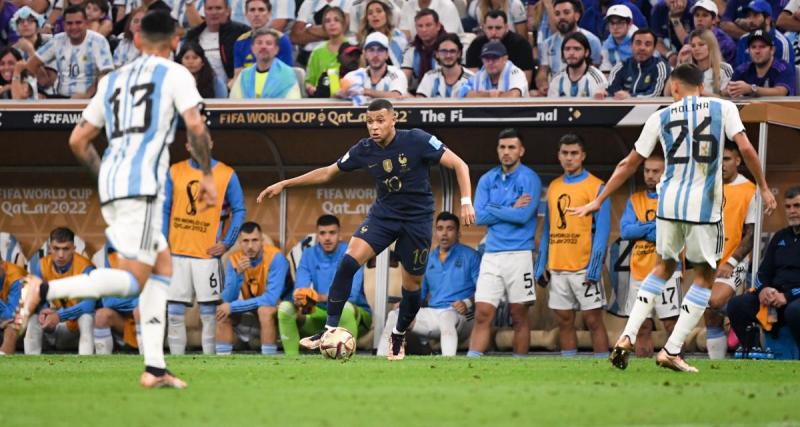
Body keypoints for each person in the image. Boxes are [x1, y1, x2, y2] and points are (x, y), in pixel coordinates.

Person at [16, 10, 218, 388]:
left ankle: (155, 368)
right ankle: (42, 289)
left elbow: (77, 140)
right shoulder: (175, 73)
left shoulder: (114, 79)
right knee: (132, 280)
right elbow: (195, 126)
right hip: (140, 186)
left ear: (137, 41)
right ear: (175, 40)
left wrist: (108, 178)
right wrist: (206, 175)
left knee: (161, 268)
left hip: (116, 180)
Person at [570, 63, 776, 372]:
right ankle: (672, 349)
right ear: (701, 86)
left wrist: (599, 199)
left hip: (668, 205)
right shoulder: (723, 108)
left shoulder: (660, 116)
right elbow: (745, 147)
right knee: (705, 278)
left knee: (662, 268)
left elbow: (629, 162)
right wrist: (763, 186)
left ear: (675, 88)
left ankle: (626, 337)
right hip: (704, 207)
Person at [257, 98, 475, 361]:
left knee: (412, 288)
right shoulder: (364, 149)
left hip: (416, 221)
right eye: (369, 121)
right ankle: (328, 331)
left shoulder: (416, 139)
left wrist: (465, 202)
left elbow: (460, 165)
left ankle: (398, 334)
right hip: (384, 216)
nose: (374, 127)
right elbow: (328, 172)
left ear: (394, 119)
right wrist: (285, 183)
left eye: (380, 120)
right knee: (348, 261)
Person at [164, 136, 245, 356]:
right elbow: (164, 208)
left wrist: (227, 242)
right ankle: (176, 363)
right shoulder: (174, 171)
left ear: (211, 143)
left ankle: (208, 363)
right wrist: (163, 242)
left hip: (206, 255)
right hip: (176, 253)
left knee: (209, 313)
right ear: (188, 146)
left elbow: (240, 210)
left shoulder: (227, 174)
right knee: (174, 312)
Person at [535, 134, 611, 359]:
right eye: (565, 153)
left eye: (574, 153)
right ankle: (570, 366)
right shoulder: (554, 186)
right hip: (558, 268)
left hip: (584, 268)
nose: (569, 158)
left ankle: (603, 369)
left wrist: (595, 268)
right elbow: (548, 228)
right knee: (564, 321)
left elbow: (603, 232)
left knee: (593, 321)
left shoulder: (598, 187)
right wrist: (542, 264)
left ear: (583, 156)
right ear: (558, 156)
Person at [467, 128, 541, 358]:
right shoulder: (487, 179)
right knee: (481, 313)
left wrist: (493, 209)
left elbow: (523, 217)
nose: (506, 152)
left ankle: (519, 367)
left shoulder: (530, 178)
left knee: (519, 315)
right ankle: (471, 365)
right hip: (492, 254)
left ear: (521, 151)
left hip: (519, 254)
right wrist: (509, 207)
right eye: (502, 147)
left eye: (511, 147)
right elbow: (478, 216)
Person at [379, 211, 479, 357]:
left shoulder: (471, 256)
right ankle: (382, 358)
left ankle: (448, 363)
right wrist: (405, 303)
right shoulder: (427, 258)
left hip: (463, 316)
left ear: (458, 233)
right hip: (433, 314)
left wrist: (468, 303)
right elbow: (419, 294)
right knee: (395, 315)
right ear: (435, 232)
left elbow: (483, 291)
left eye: (449, 229)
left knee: (446, 316)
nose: (444, 233)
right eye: (440, 229)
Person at [279, 215, 371, 356]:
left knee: (344, 307)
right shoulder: (309, 254)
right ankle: (292, 362)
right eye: (322, 233)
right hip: (321, 314)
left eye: (332, 233)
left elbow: (350, 296)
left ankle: (346, 361)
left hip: (355, 315)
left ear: (339, 234)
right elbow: (300, 288)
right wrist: (301, 298)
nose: (327, 238)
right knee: (285, 308)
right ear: (317, 235)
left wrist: (317, 297)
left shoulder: (352, 252)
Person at [619, 155, 680, 357]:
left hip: (668, 271)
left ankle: (677, 362)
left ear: (666, 173)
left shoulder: (674, 199)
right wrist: (653, 226)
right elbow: (626, 232)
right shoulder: (635, 200)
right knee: (642, 326)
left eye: (656, 171)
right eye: (647, 171)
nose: (650, 176)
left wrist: (641, 227)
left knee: (671, 325)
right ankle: (644, 371)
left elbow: (671, 232)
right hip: (639, 271)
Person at [703, 142, 758, 359]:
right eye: (718, 160)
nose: (722, 164)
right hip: (710, 259)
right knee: (709, 314)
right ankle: (716, 367)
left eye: (726, 159)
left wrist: (732, 262)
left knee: (715, 302)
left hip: (735, 259)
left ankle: (738, 316)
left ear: (738, 161)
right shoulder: (710, 187)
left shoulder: (750, 190)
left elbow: (751, 234)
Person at [727, 186, 800, 350]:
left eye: (797, 206)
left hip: (795, 298)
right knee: (737, 305)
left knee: (795, 311)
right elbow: (762, 273)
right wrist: (763, 290)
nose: (792, 211)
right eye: (788, 207)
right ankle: (753, 352)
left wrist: (787, 296)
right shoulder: (780, 237)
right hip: (774, 298)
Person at [216, 222, 288, 355]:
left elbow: (270, 299)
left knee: (264, 310)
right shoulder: (235, 260)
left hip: (280, 306)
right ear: (239, 243)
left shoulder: (276, 258)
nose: (250, 246)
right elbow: (227, 299)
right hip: (254, 304)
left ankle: (269, 361)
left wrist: (233, 307)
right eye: (245, 241)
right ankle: (223, 360)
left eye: (254, 240)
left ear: (262, 241)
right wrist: (238, 274)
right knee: (222, 312)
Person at [24, 228, 96, 355]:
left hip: (77, 329)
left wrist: (59, 316)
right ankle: (31, 366)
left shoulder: (85, 267)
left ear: (73, 248)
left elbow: (89, 305)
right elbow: (38, 298)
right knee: (34, 317)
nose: (61, 254)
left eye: (66, 249)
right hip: (56, 323)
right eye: (56, 248)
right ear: (50, 248)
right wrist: (43, 312)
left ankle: (86, 365)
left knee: (86, 318)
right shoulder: (41, 265)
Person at [27, 5, 114, 99]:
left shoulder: (98, 41)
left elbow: (106, 73)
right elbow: (32, 64)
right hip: (60, 98)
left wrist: (88, 95)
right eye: (69, 23)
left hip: (91, 99)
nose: (74, 27)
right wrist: (36, 91)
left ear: (86, 23)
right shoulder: (57, 40)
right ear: (64, 25)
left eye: (78, 23)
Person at [535, 0, 602, 95]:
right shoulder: (547, 44)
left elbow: (596, 70)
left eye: (566, 13)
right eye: (557, 14)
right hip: (556, 92)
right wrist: (543, 84)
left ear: (577, 16)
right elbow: (542, 71)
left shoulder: (592, 41)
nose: (561, 17)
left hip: (586, 93)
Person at [184, 0, 250, 83]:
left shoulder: (242, 32)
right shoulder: (193, 35)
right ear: (204, 11)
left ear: (228, 11)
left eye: (218, 8)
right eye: (209, 8)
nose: (214, 12)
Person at [93, 244, 141, 355]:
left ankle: (148, 364)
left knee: (140, 311)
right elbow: (108, 301)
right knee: (101, 315)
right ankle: (103, 366)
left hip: (148, 317)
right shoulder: (107, 251)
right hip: (123, 318)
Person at [465, 10, 535, 84]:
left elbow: (525, 81)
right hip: (483, 90)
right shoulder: (476, 45)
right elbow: (472, 79)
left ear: (506, 27)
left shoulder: (521, 44)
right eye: (490, 28)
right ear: (484, 28)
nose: (494, 33)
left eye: (498, 28)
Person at [229, 28, 301, 99]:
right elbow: (235, 104)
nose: (263, 47)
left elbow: (292, 105)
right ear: (252, 49)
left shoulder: (287, 75)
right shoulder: (244, 76)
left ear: (276, 49)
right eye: (259, 43)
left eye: (268, 43)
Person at [338, 32, 408, 103]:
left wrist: (364, 91)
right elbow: (337, 97)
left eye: (380, 50)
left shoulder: (397, 74)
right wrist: (340, 94)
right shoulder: (353, 76)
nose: (375, 55)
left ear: (387, 54)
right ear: (365, 54)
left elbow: (395, 96)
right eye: (371, 50)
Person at [232, 0, 294, 80]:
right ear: (246, 15)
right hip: (248, 87)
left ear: (269, 14)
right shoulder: (240, 42)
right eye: (252, 10)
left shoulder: (281, 40)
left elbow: (286, 75)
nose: (256, 14)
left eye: (261, 10)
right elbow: (238, 75)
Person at [726, 29, 796, 96]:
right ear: (748, 51)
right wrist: (731, 91)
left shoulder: (782, 68)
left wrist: (751, 89)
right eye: (753, 47)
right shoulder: (742, 70)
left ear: (772, 50)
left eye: (762, 47)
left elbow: (781, 92)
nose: (757, 51)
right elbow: (725, 91)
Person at [607, 29, 671, 99]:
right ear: (631, 46)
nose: (642, 48)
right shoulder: (621, 66)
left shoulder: (661, 66)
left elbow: (655, 94)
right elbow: (611, 91)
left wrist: (630, 97)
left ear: (654, 48)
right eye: (638, 43)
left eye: (647, 44)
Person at [290, 0, 352, 66]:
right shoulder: (309, 2)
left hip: (340, 55)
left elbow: (341, 28)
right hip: (307, 56)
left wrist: (308, 28)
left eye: (336, 20)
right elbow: (294, 37)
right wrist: (326, 33)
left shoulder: (350, 2)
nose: (331, 24)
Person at [547, 31, 608, 98]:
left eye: (577, 49)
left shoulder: (597, 78)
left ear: (586, 52)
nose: (571, 53)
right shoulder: (556, 79)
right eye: (567, 49)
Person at [674, 28, 733, 96]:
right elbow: (667, 93)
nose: (696, 49)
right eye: (693, 46)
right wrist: (679, 62)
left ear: (711, 46)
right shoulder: (687, 71)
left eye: (701, 44)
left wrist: (699, 92)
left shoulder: (724, 69)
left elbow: (727, 100)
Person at [734, 0, 793, 66]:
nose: (750, 20)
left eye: (755, 15)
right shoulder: (743, 40)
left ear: (767, 19)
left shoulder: (782, 43)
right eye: (748, 16)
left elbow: (786, 74)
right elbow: (738, 71)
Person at [305, 7, 348, 97]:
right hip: (321, 101)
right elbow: (308, 82)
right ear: (323, 26)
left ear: (343, 24)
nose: (332, 24)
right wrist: (312, 89)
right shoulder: (317, 52)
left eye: (336, 20)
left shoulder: (353, 49)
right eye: (327, 21)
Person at [460, 41, 528, 97]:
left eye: (495, 58)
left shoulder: (516, 72)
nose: (490, 62)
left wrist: (480, 95)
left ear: (505, 59)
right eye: (486, 58)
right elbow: (463, 92)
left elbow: (513, 96)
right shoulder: (480, 74)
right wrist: (489, 95)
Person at [416, 33, 474, 98]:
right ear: (437, 54)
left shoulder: (471, 78)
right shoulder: (429, 76)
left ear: (459, 54)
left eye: (452, 51)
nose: (448, 55)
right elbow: (419, 101)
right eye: (444, 51)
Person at [401, 9, 446, 90]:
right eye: (420, 26)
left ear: (438, 26)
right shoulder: (411, 50)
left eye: (428, 25)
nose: (423, 30)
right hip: (417, 96)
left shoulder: (448, 49)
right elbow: (403, 80)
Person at [357, 0, 408, 68]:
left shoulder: (398, 37)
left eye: (379, 11)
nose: (374, 15)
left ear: (387, 14)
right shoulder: (365, 40)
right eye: (370, 13)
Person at [687, 0, 736, 64]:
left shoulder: (726, 43)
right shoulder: (689, 38)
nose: (699, 19)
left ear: (714, 20)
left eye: (704, 15)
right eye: (697, 15)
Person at [651, 0, 694, 65]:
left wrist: (675, 18)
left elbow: (689, 43)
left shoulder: (694, 8)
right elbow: (656, 40)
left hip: (691, 51)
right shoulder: (658, 8)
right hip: (669, 50)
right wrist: (669, 54)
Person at [398, 0, 463, 39]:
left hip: (445, 54)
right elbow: (404, 36)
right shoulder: (408, 5)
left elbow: (448, 39)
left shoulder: (447, 6)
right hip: (417, 52)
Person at [600, 4, 636, 72]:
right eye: (612, 23)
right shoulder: (607, 44)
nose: (615, 27)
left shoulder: (639, 42)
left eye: (620, 23)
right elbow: (606, 70)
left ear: (630, 23)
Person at [0, 258, 25, 355]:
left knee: (11, 327)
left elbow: (11, 316)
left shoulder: (15, 277)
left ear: (2, 264)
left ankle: (4, 361)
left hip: (27, 317)